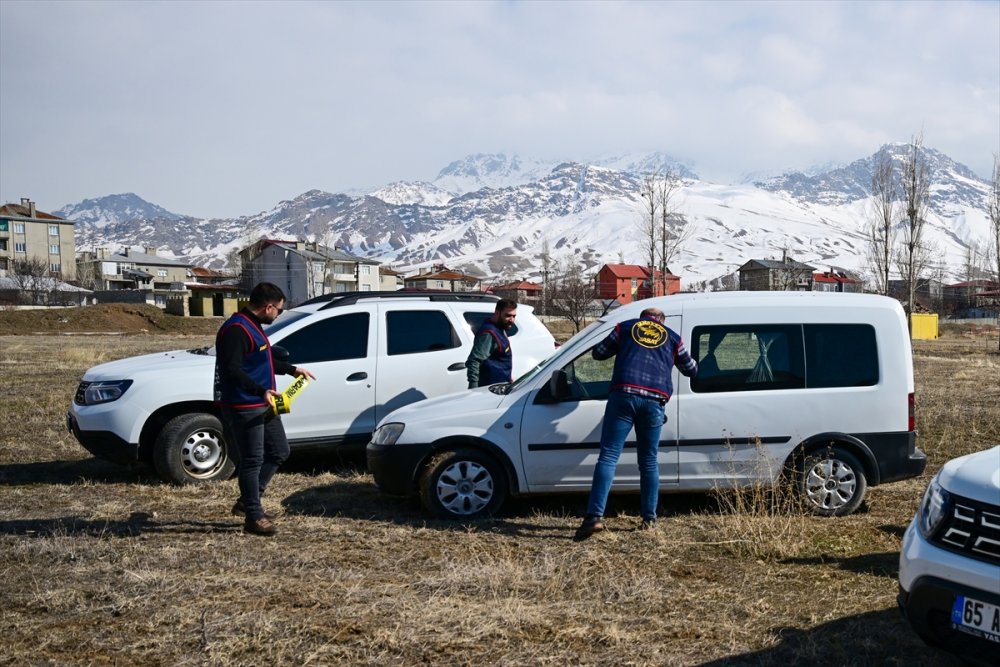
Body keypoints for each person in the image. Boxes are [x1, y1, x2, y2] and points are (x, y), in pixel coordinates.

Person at [575, 306, 698, 540]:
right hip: (654, 401)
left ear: (643, 318)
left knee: (609, 455)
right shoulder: (672, 337)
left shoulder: (626, 327)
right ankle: (649, 519)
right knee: (649, 461)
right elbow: (691, 370)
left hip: (623, 396)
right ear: (661, 321)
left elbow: (598, 353)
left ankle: (594, 517)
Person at [214, 282, 314, 537]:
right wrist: (261, 390)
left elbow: (263, 359)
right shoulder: (236, 329)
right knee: (252, 459)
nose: (278, 314)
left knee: (280, 450)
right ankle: (253, 516)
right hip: (244, 405)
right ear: (268, 306)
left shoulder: (253, 325)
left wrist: (292, 369)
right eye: (279, 310)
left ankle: (249, 501)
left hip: (263, 404)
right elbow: (232, 369)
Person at [466, 298, 518, 388]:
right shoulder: (489, 333)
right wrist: (474, 389)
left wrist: (508, 378)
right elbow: (474, 361)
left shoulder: (500, 328)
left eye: (514, 316)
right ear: (497, 313)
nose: (512, 320)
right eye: (508, 315)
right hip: (489, 390)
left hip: (500, 386)